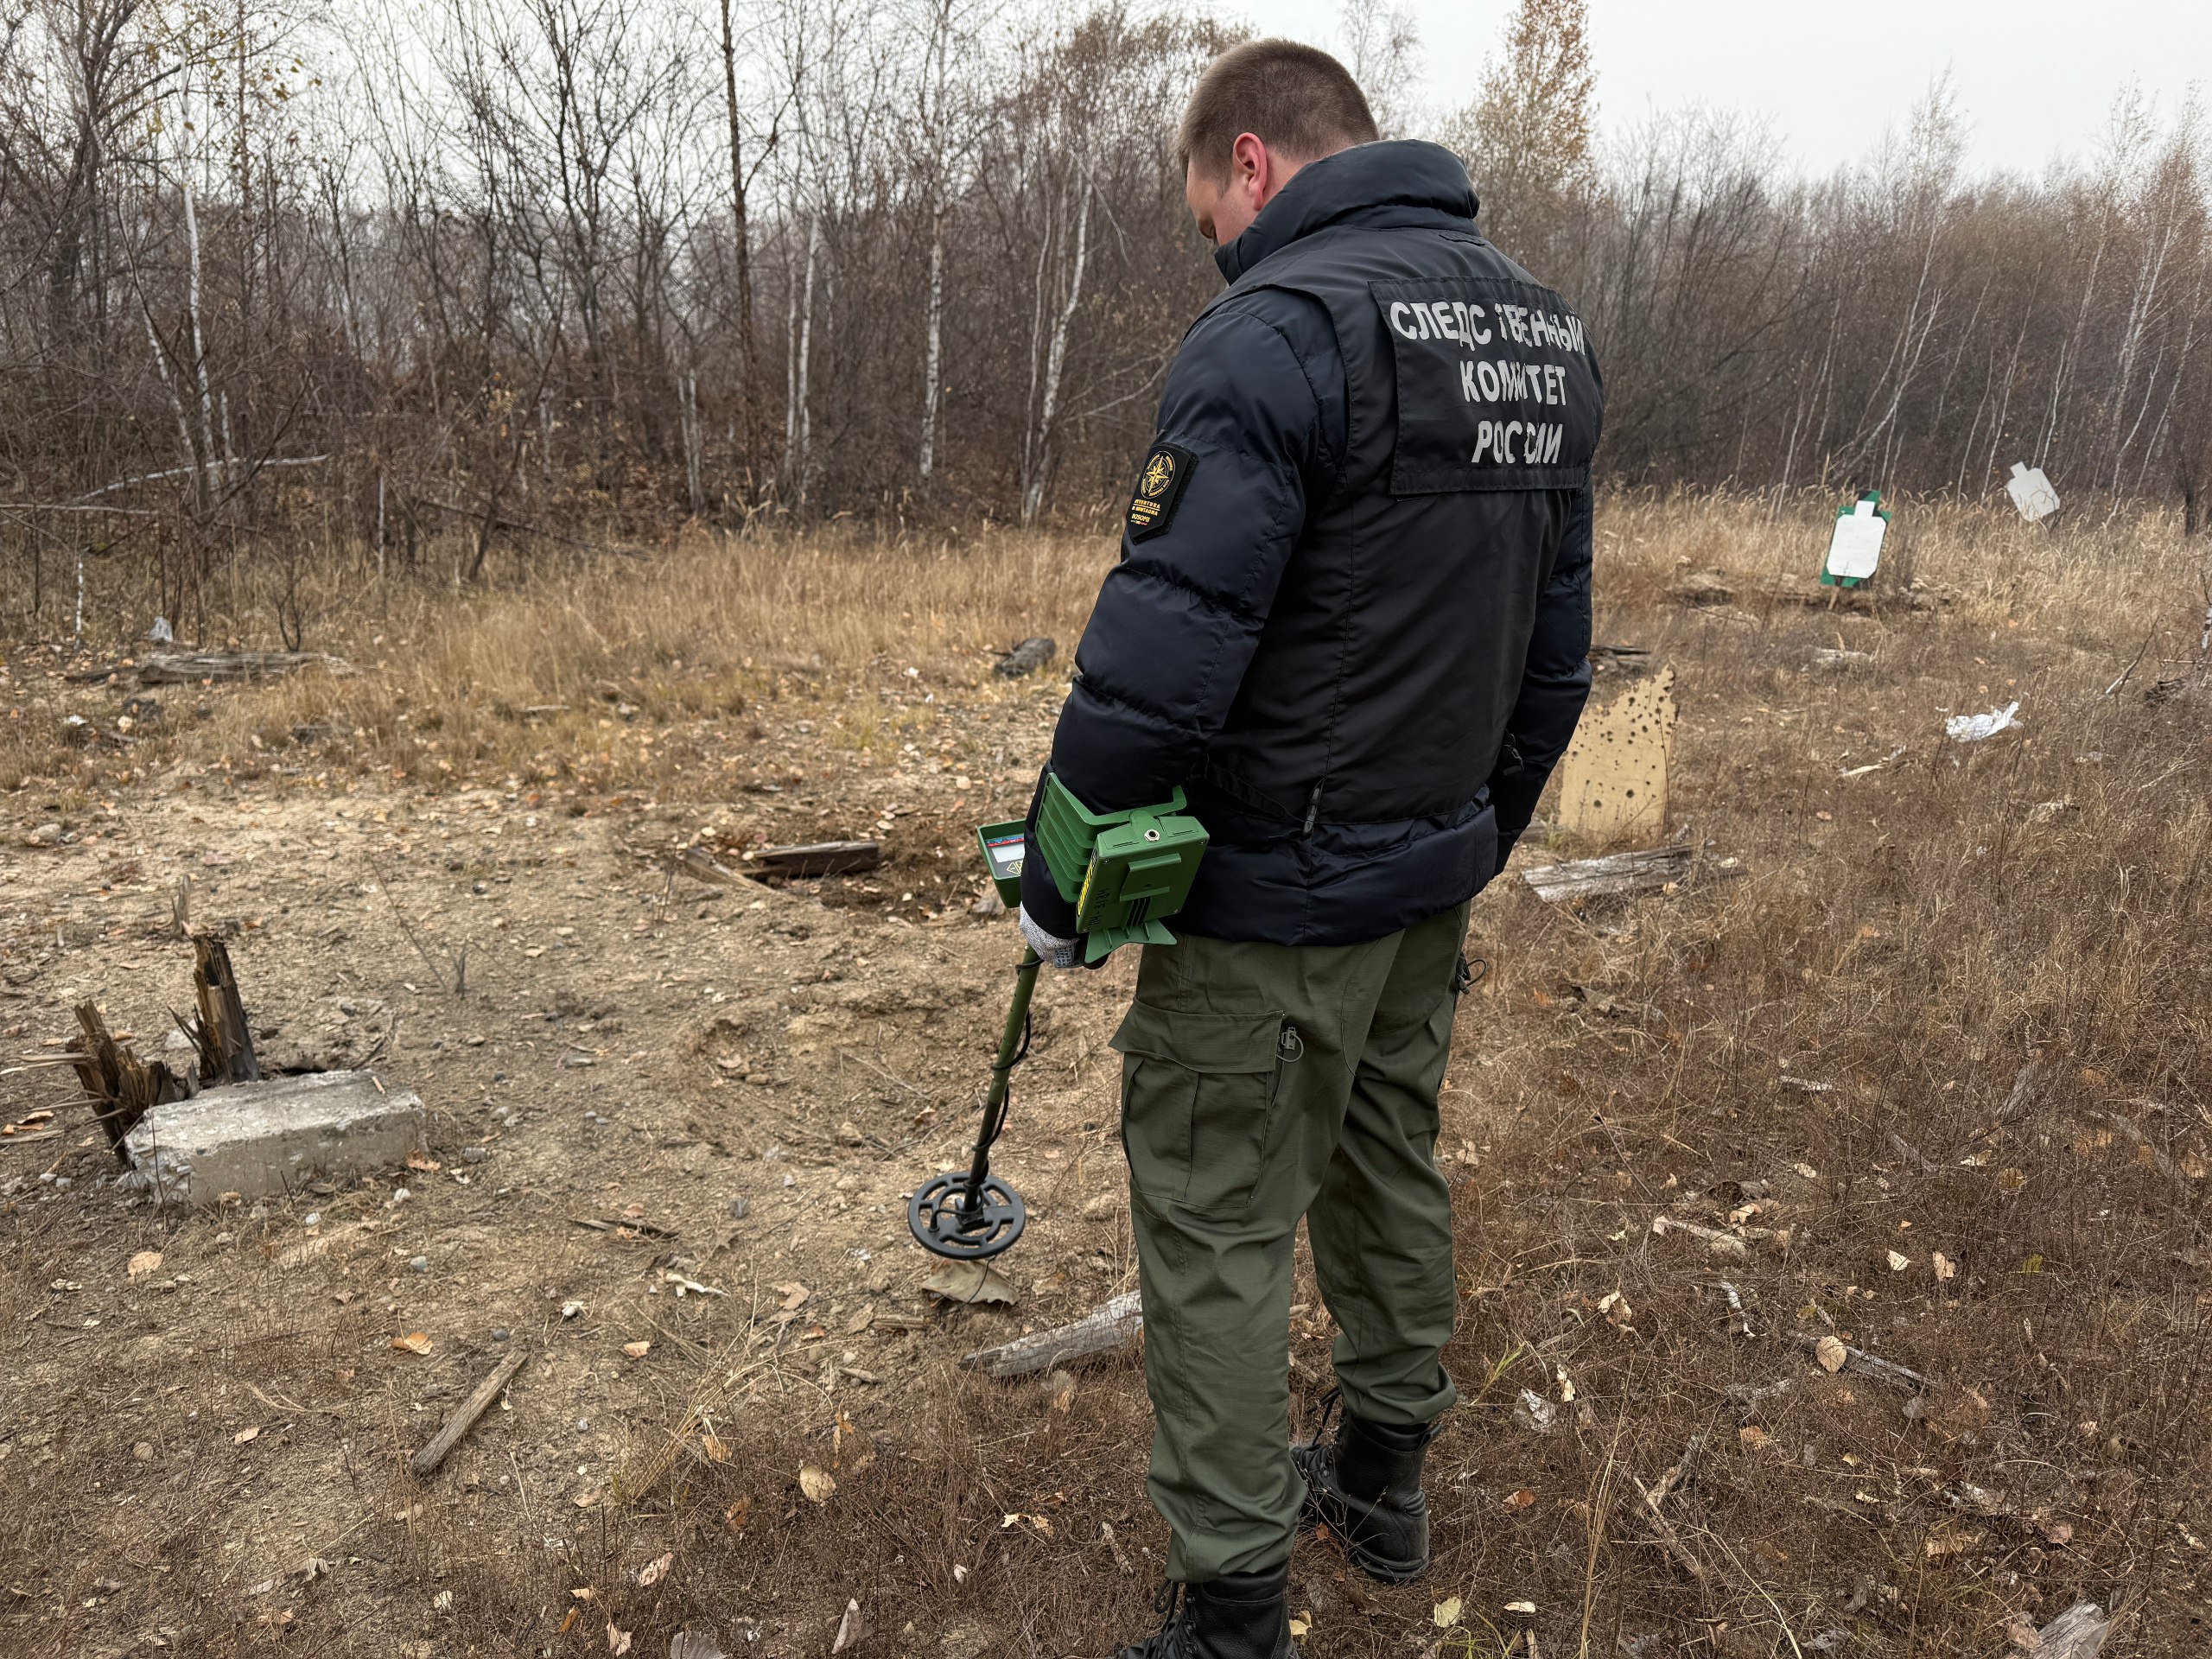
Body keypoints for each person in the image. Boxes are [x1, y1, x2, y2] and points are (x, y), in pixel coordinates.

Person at [1015, 39, 1603, 1659]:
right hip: (1425, 882)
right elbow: (1558, 655)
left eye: (1207, 210)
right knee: (1385, 1154)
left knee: (1214, 1220)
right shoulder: (1542, 335)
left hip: (1272, 899)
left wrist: (1063, 884)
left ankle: (1232, 1614)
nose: (1215, 242)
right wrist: (1474, 837)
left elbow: (1161, 659)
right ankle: (1383, 1490)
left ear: (1253, 162)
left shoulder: (1272, 334)